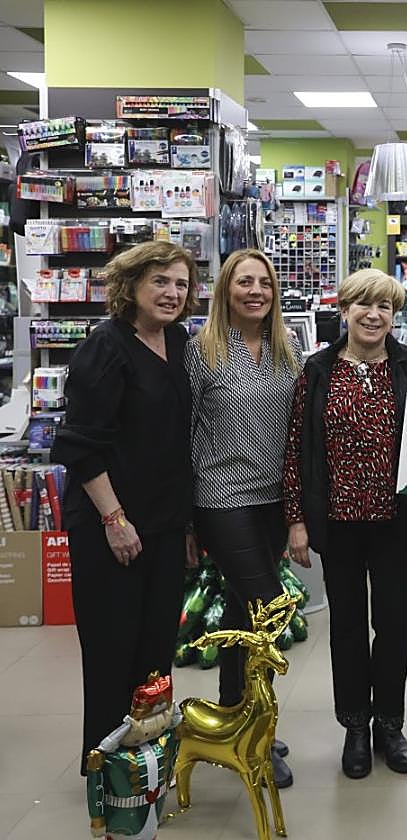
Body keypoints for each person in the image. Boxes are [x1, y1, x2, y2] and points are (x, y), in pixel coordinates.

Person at [51, 240, 198, 775]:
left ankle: (146, 762)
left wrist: (181, 523)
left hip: (161, 525)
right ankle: (105, 769)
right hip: (110, 527)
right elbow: (81, 445)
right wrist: (114, 519)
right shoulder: (105, 347)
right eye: (160, 281)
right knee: (113, 650)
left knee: (156, 651)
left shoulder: (179, 342)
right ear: (131, 285)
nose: (172, 293)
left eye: (181, 283)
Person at [283, 268, 407, 780]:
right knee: (346, 627)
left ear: (394, 315)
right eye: (363, 304)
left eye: (384, 306)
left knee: (394, 624)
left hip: (393, 519)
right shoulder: (317, 370)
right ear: (344, 310)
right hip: (337, 520)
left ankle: (390, 722)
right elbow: (297, 449)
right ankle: (356, 726)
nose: (373, 314)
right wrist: (296, 520)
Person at [186, 248, 302, 787]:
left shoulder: (287, 347)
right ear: (225, 291)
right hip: (221, 496)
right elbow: (181, 433)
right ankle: (257, 731)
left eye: (264, 283)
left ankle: (236, 715)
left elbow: (297, 428)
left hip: (273, 499)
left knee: (239, 612)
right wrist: (186, 520)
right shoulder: (201, 349)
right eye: (243, 283)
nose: (255, 291)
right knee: (265, 611)